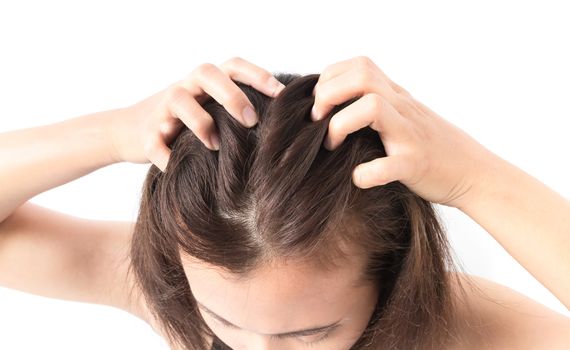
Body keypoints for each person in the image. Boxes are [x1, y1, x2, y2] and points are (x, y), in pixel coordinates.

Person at [0, 56, 568, 350]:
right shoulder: (166, 291)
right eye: (222, 322)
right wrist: (111, 132)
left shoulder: (462, 331)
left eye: (311, 335)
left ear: (393, 276)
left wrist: (478, 178)